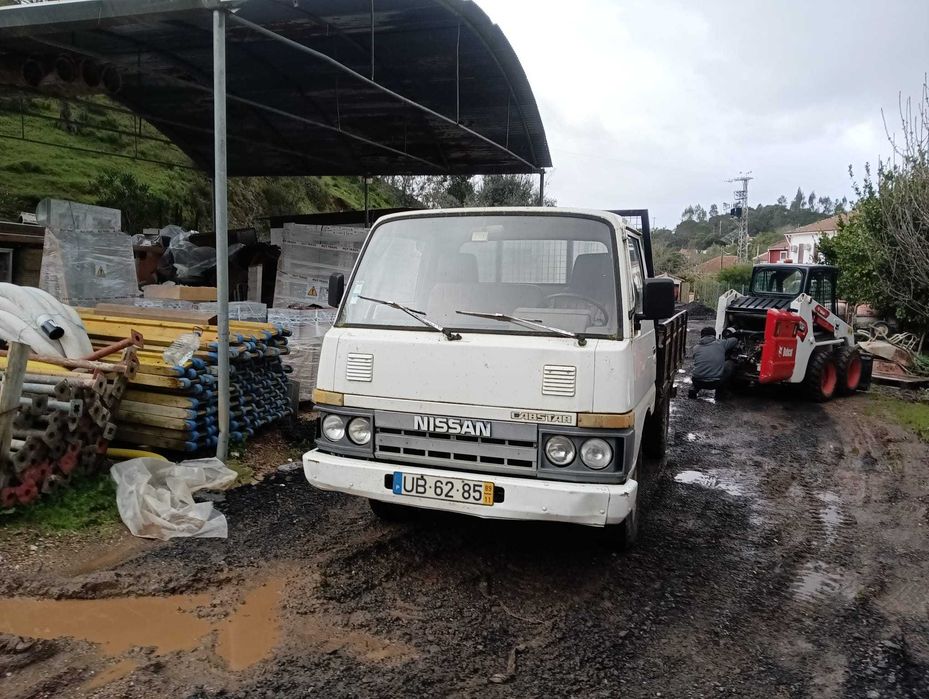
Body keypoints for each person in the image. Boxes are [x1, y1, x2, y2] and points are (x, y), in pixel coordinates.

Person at [689, 327, 738, 399]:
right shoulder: (721, 343)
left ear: (702, 336)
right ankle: (720, 394)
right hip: (714, 383)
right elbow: (734, 340)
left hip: (697, 381)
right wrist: (735, 334)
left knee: (701, 368)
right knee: (730, 363)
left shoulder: (696, 348)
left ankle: (694, 388)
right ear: (714, 335)